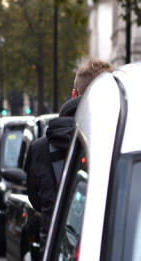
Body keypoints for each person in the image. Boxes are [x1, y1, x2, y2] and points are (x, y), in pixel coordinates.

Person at [25, 57, 115, 230]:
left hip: (59, 251)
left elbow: (36, 200)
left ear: (74, 94)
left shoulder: (40, 149)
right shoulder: (122, 142)